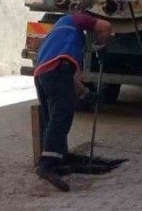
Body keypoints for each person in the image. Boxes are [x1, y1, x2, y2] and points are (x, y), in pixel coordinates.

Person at [33, 10, 113, 191]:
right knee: (61, 116)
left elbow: (71, 79)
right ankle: (46, 164)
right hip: (56, 70)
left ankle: (57, 157)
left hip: (42, 73)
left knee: (51, 118)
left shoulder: (60, 31)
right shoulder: (75, 20)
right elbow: (106, 26)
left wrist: (87, 94)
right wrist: (101, 45)